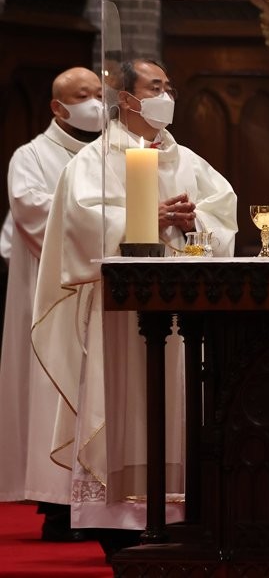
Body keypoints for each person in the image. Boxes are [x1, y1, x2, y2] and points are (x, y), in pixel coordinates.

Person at [31, 59, 237, 542]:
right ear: (126, 99)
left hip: (183, 306)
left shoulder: (185, 158)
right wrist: (147, 214)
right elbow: (81, 223)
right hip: (122, 316)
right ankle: (120, 517)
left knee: (178, 402)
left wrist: (192, 221)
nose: (168, 94)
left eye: (170, 85)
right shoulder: (95, 160)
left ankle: (183, 507)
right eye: (156, 86)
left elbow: (221, 208)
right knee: (127, 403)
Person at [0, 67, 103, 542]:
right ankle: (57, 506)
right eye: (84, 96)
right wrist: (103, 223)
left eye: (100, 94)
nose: (96, 103)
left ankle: (100, 501)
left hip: (102, 293)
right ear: (59, 108)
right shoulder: (31, 156)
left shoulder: (112, 154)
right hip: (54, 293)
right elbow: (32, 210)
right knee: (54, 393)